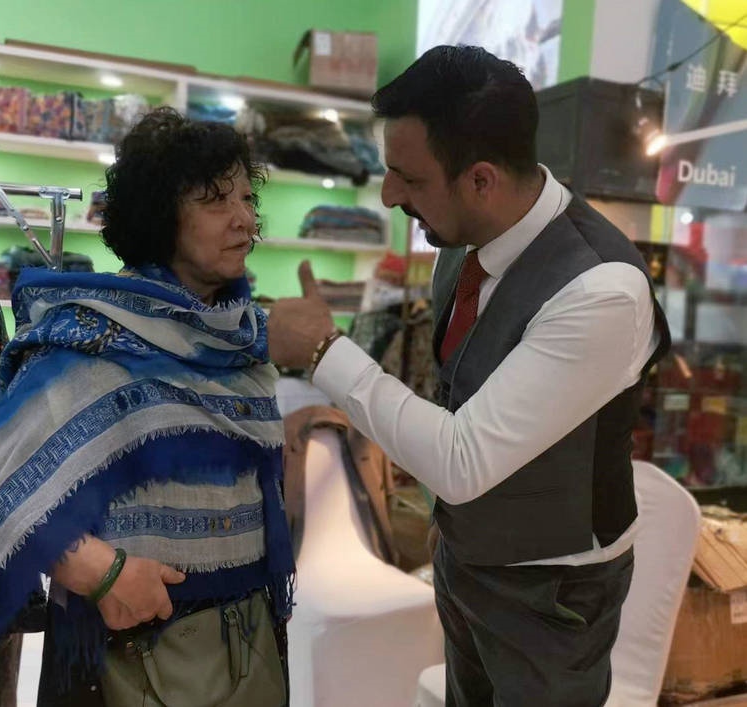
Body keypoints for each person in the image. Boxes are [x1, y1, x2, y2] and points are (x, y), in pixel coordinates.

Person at [268, 46, 670, 706]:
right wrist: (451, 527)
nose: (389, 195)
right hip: (466, 561)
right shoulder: (462, 247)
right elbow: (462, 395)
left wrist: (324, 351)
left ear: (481, 180)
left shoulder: (602, 290)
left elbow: (462, 457)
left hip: (552, 596)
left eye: (409, 178)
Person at [0, 107, 294, 707]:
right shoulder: (90, 342)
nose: (244, 218)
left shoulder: (240, 340)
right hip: (128, 657)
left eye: (246, 198)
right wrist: (102, 572)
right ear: (161, 216)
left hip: (249, 642)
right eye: (215, 200)